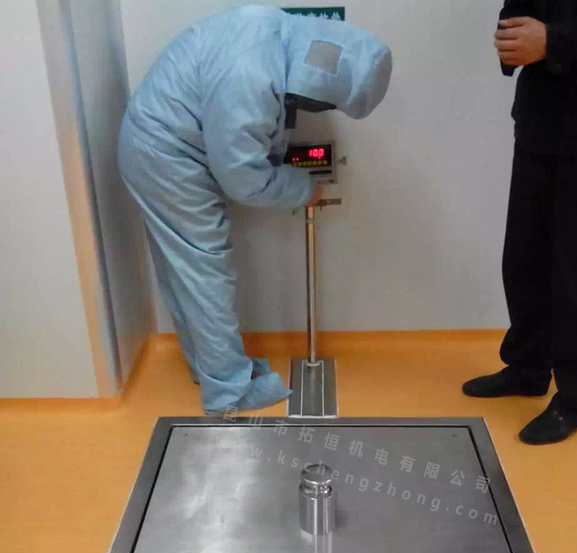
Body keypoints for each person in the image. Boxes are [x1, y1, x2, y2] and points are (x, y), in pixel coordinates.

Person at [118, 5, 392, 415]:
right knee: (206, 271)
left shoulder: (277, 34)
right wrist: (304, 189)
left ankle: (213, 368)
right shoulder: (250, 74)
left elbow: (254, 132)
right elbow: (242, 179)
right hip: (167, 158)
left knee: (186, 272)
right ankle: (229, 391)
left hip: (155, 148)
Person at [463, 0, 577, 444]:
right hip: (540, 117)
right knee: (524, 257)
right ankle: (527, 368)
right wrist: (511, 40)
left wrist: (553, 41)